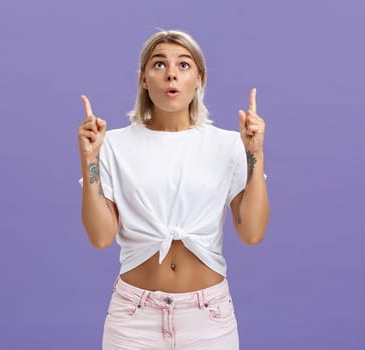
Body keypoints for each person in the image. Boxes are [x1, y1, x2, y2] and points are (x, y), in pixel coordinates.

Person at [77, 29, 269, 350]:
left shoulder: (226, 145)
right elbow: (100, 238)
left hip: (208, 319)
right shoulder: (114, 145)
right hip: (134, 319)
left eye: (183, 65)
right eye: (159, 64)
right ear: (143, 78)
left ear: (199, 79)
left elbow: (252, 233)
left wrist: (255, 155)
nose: (171, 75)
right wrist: (90, 160)